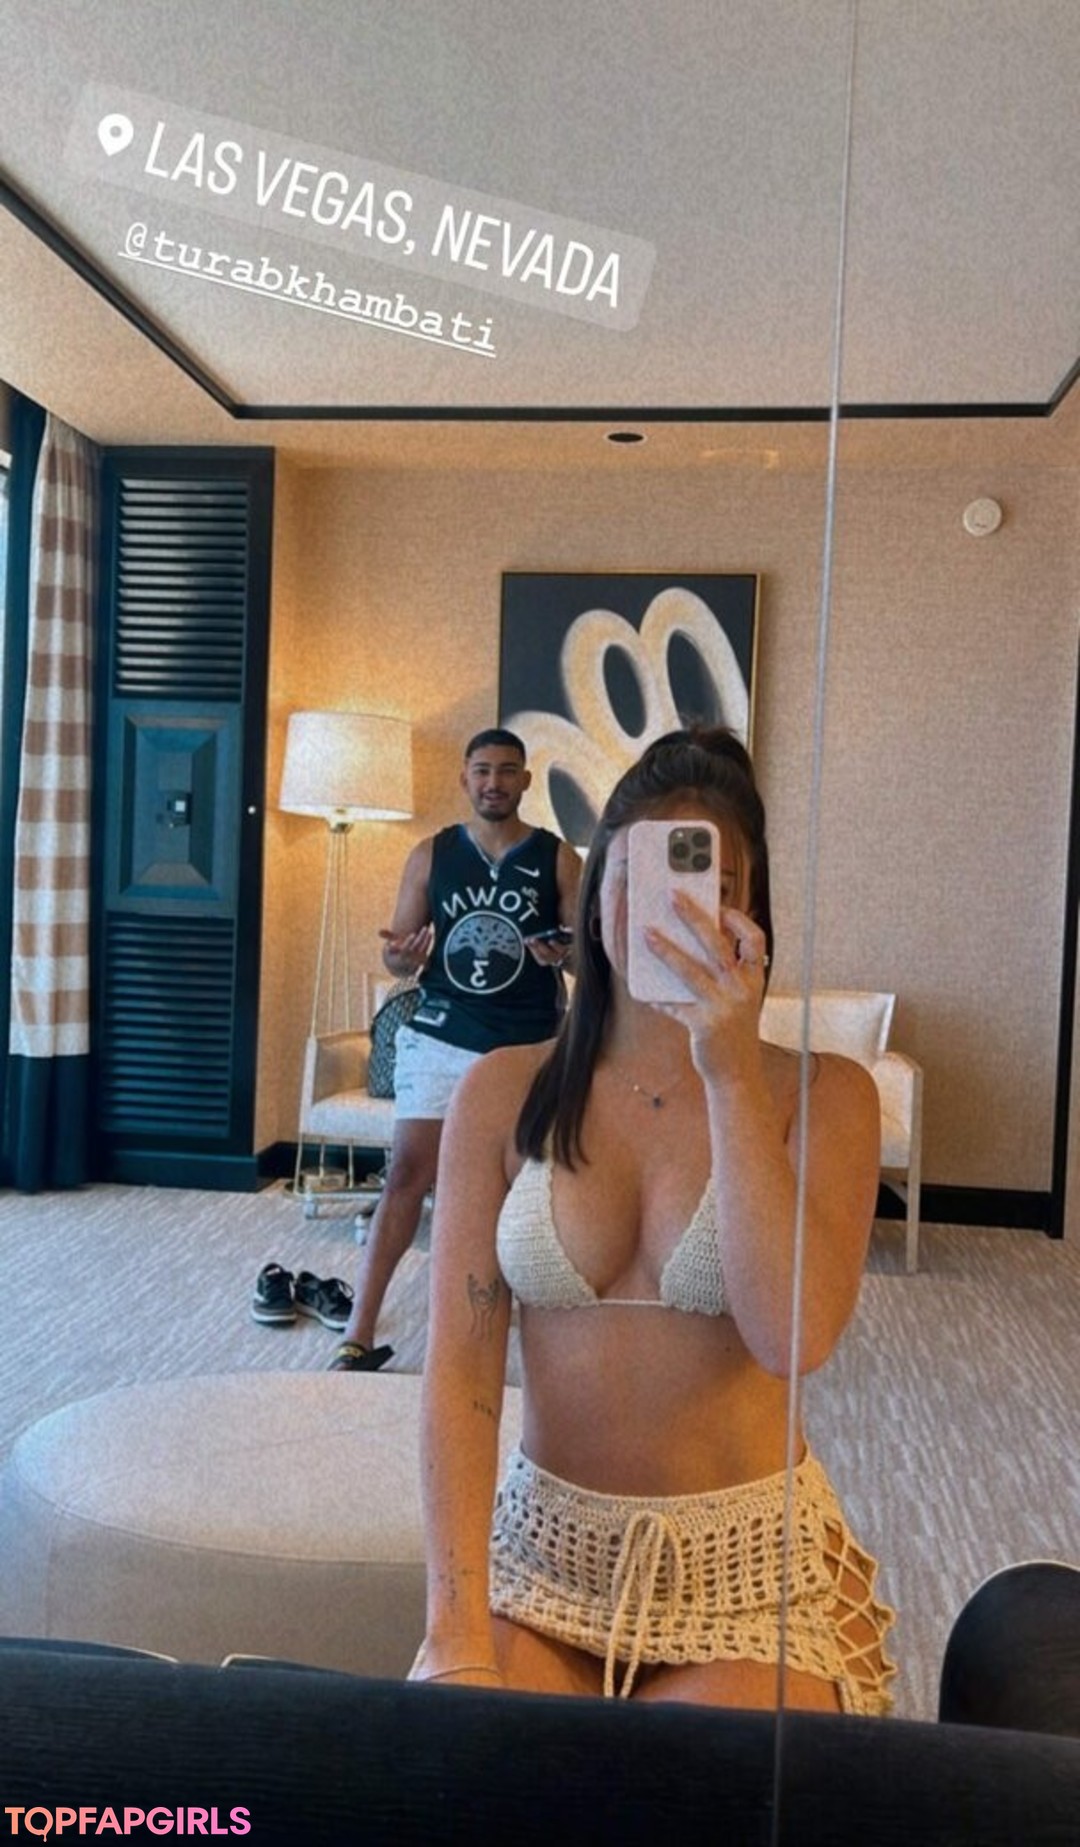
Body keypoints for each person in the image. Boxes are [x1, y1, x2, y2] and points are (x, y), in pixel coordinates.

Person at [411, 725, 896, 1711]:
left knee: (684, 1785)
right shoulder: (503, 1091)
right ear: (595, 894)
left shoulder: (825, 1097)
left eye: (705, 879)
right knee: (469, 1774)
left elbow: (792, 1335)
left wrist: (728, 1072)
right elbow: (461, 1372)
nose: (663, 905)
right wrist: (452, 1624)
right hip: (543, 1556)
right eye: (633, 872)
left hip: (751, 1570)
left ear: (747, 911)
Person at [329, 727, 581, 1371]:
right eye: (482, 770)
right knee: (407, 1176)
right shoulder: (431, 854)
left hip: (526, 1044)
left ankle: (536, 1342)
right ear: (464, 778)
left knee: (529, 1192)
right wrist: (404, 955)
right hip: (441, 1034)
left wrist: (562, 954)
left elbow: (588, 956)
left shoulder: (557, 858)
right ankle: (358, 1330)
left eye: (507, 770)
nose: (494, 782)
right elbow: (396, 955)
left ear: (525, 781)